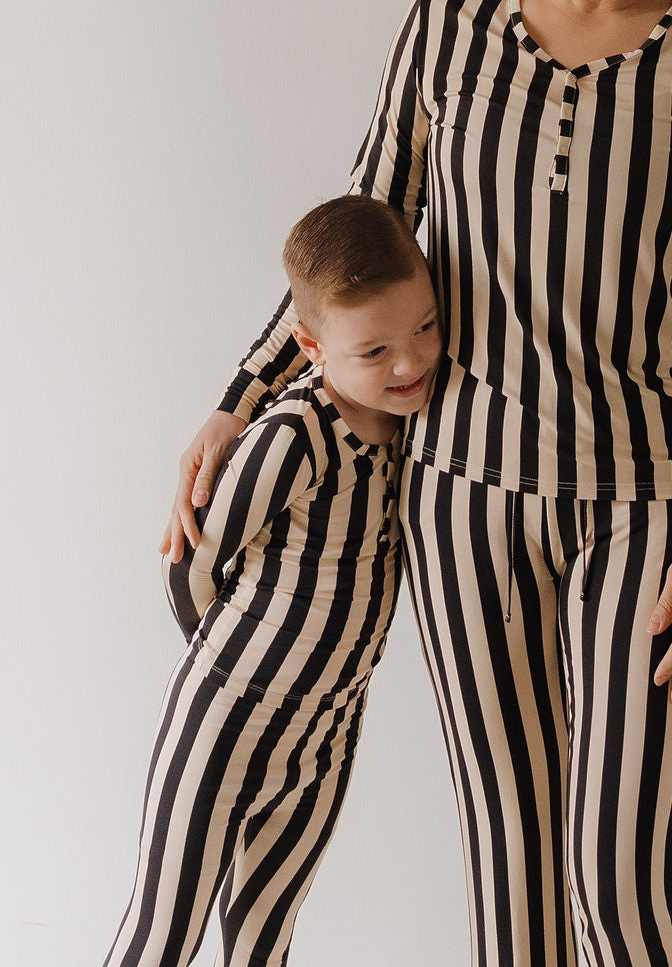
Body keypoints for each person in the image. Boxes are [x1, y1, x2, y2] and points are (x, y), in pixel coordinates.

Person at [166, 0, 672, 967]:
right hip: (460, 493)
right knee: (512, 869)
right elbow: (361, 226)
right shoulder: (449, 17)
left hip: (651, 507)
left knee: (619, 879)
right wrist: (242, 396)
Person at [108, 195, 440, 967]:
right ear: (312, 347)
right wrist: (233, 667)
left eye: (425, 327)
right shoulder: (294, 435)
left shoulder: (415, 427)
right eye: (375, 350)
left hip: (328, 732)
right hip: (225, 719)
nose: (410, 363)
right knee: (164, 933)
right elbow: (190, 563)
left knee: (265, 936)